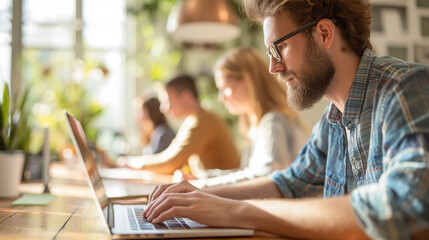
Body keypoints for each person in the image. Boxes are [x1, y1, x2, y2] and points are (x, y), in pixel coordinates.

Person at [142, 0, 429, 239]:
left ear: (325, 34)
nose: (273, 67)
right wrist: (200, 194)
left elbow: (406, 207)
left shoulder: (403, 88)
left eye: (278, 48)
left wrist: (236, 211)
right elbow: (288, 184)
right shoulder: (332, 122)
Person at [192, 46, 307, 188]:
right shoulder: (258, 125)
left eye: (225, 88)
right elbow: (249, 173)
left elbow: (266, 176)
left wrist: (202, 184)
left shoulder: (274, 122)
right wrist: (202, 177)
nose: (221, 98)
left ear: (248, 80)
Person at [118, 75, 241, 175]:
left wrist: (132, 163)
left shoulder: (201, 121)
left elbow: (171, 162)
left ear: (186, 97)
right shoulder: (195, 119)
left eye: (168, 101)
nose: (163, 109)